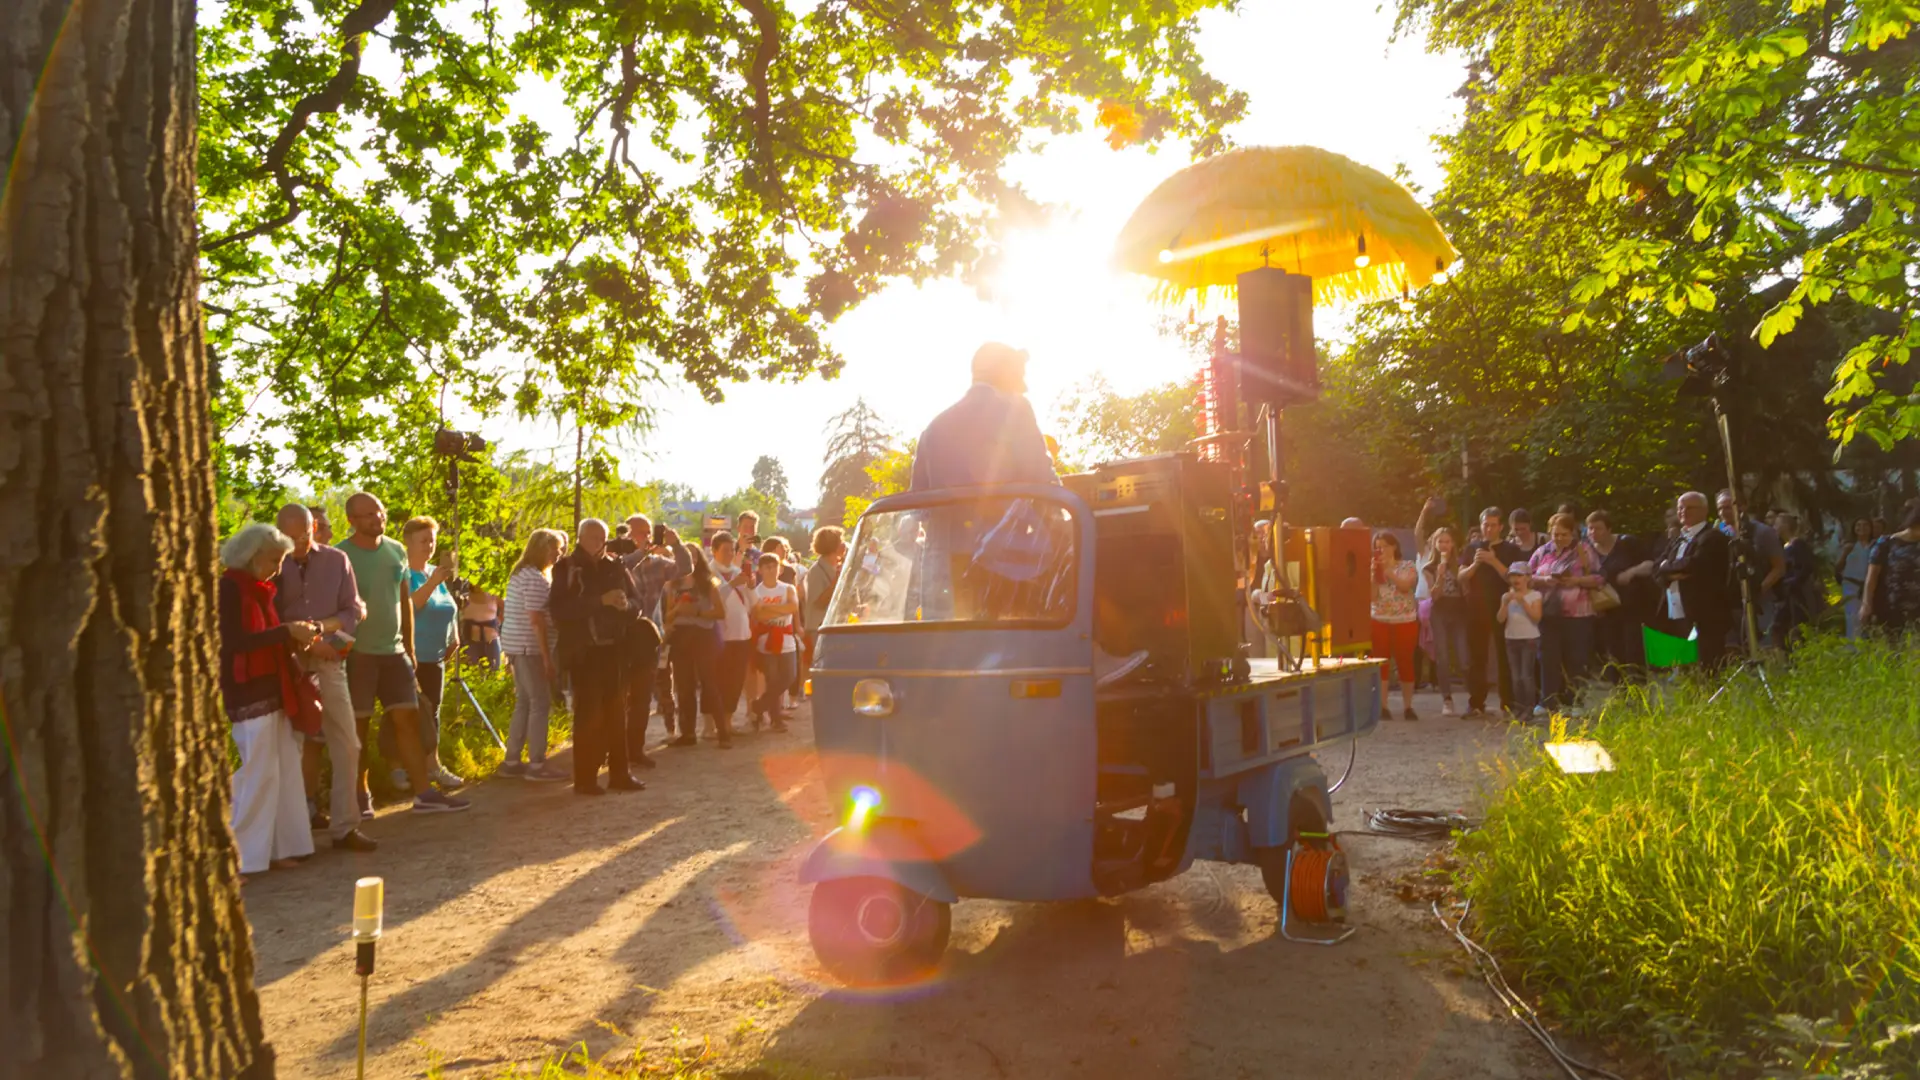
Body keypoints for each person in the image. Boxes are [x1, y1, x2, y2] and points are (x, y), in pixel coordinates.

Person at [340, 492, 469, 812]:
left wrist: (409, 648)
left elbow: (404, 604)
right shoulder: (340, 555)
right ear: (352, 520)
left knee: (409, 720)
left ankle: (424, 793)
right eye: (368, 514)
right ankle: (360, 794)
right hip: (359, 653)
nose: (377, 518)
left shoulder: (395, 551)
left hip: (395, 651)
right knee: (359, 726)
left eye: (380, 512)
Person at [272, 504, 377, 853]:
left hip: (330, 660)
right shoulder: (272, 564)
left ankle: (345, 827)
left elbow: (353, 609)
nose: (296, 543)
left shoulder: (336, 560)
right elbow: (267, 618)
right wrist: (300, 640)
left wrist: (323, 635)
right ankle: (292, 834)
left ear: (314, 527)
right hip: (288, 664)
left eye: (302, 535)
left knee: (347, 742)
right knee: (293, 746)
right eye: (288, 537)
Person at [220, 523, 321, 877]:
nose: (279, 568)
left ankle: (284, 847)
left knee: (285, 768)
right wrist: (285, 631)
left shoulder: (263, 589)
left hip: (275, 687)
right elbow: (234, 642)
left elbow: (266, 637)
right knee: (259, 771)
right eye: (274, 559)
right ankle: (241, 856)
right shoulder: (229, 588)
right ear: (251, 556)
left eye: (282, 560)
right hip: (246, 691)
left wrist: (294, 636)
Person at [551, 519, 650, 794]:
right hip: (584, 651)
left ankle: (620, 774)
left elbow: (638, 602)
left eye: (601, 537)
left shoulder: (615, 565)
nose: (597, 542)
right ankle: (585, 779)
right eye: (591, 537)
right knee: (588, 716)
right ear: (580, 538)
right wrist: (600, 602)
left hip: (615, 649)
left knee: (617, 713)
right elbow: (559, 610)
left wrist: (625, 605)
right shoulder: (567, 567)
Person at [909, 342, 1057, 490]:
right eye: (1019, 375)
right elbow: (1046, 484)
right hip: (1008, 514)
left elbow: (916, 505)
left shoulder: (932, 430)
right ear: (1005, 373)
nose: (1025, 387)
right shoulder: (1017, 412)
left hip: (946, 514)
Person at [383, 516, 462, 792]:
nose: (429, 546)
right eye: (423, 540)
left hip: (436, 656)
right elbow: (411, 605)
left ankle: (432, 766)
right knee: (402, 712)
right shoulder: (404, 573)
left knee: (433, 712)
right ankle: (397, 767)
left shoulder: (435, 573)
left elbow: (447, 607)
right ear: (408, 542)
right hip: (407, 654)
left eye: (432, 540)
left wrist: (455, 636)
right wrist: (433, 581)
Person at [613, 513, 691, 765]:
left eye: (649, 533)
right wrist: (641, 552)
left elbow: (686, 568)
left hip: (648, 637)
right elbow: (623, 567)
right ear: (628, 534)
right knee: (619, 695)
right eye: (640, 532)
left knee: (642, 697)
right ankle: (615, 750)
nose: (646, 538)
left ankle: (635, 749)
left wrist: (675, 544)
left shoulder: (659, 563)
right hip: (622, 637)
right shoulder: (618, 559)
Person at [500, 529, 566, 781]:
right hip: (530, 648)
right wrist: (547, 657)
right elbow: (536, 620)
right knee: (540, 703)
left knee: (525, 702)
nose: (558, 554)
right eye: (555, 549)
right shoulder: (536, 579)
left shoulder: (521, 574)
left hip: (516, 645)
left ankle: (512, 759)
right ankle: (537, 763)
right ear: (542, 548)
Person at [1528, 512, 1602, 715]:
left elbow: (1600, 578)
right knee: (1547, 657)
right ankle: (1547, 701)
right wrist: (1545, 580)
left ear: (1572, 533)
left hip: (1579, 614)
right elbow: (1526, 577)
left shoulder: (1584, 550)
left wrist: (1576, 581)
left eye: (1564, 534)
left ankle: (1576, 701)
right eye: (1555, 534)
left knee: (1576, 658)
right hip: (1548, 612)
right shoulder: (1542, 552)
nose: (1559, 538)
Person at [1656, 491, 1734, 671]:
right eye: (1680, 508)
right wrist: (1669, 571)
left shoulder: (1712, 537)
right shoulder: (1678, 539)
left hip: (1704, 613)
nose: (1683, 511)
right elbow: (1656, 567)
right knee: (1685, 668)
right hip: (1676, 612)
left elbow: (1694, 564)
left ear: (1704, 510)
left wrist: (1666, 567)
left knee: (1708, 665)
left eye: (1689, 508)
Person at [1462, 506, 1524, 718]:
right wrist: (1476, 564)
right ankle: (1476, 703)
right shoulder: (1472, 548)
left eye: (1493, 525)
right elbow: (1462, 577)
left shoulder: (1511, 550)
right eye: (1485, 525)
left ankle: (1508, 702)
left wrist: (1493, 561)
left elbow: (1515, 579)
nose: (1488, 529)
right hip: (1475, 607)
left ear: (1501, 526)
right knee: (1476, 656)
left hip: (1502, 606)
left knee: (1504, 654)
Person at [666, 544, 728, 747]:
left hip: (703, 636)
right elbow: (667, 617)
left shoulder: (708, 583)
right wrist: (677, 611)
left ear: (698, 559)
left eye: (692, 556)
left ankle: (722, 733)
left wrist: (697, 612)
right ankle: (688, 733)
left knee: (709, 684)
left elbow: (720, 613)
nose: (688, 560)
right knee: (684, 687)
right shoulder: (672, 585)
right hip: (680, 637)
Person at [1586, 510, 1657, 678]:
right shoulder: (1587, 552)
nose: (1593, 533)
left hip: (1632, 607)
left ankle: (1639, 693)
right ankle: (1619, 695)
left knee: (1634, 652)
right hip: (1606, 610)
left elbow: (1650, 564)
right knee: (1613, 654)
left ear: (1609, 529)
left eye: (1598, 528)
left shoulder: (1627, 543)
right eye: (1590, 529)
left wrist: (1631, 572)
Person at [1716, 489, 1785, 648]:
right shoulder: (1718, 534)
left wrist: (1758, 590)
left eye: (1728, 507)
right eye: (1720, 508)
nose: (1723, 512)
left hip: (1761, 602)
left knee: (1765, 647)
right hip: (1730, 604)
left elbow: (1779, 568)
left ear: (1743, 506)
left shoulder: (1762, 532)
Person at [1369, 532, 1420, 721]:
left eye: (1384, 546)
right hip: (1379, 619)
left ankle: (1407, 706)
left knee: (1405, 661)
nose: (1380, 550)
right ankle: (1382, 706)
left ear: (1394, 547)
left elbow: (1406, 587)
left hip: (1404, 620)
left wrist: (1389, 572)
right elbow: (1372, 597)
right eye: (1377, 546)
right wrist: (1375, 576)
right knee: (1381, 663)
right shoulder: (1373, 568)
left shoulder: (1407, 566)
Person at [747, 553, 801, 731]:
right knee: (772, 679)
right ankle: (776, 719)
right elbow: (758, 615)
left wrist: (768, 609)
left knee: (789, 676)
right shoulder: (756, 592)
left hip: (786, 639)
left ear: (780, 568)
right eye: (767, 567)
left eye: (774, 566)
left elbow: (793, 607)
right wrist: (780, 610)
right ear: (760, 570)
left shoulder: (788, 588)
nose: (771, 570)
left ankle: (759, 706)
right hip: (765, 642)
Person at [1421, 526, 1470, 717]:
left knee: (1463, 655)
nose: (1444, 545)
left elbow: (1465, 590)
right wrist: (1440, 575)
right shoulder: (1428, 567)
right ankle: (1447, 699)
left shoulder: (1460, 564)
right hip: (1439, 610)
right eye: (1440, 541)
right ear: (1434, 543)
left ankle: (1473, 698)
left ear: (1453, 544)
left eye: (1447, 541)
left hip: (1459, 611)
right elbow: (1434, 595)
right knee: (1442, 656)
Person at [1860, 503, 1920, 636]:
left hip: (1918, 610)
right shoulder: (1885, 543)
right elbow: (1872, 577)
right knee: (1893, 650)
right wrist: (1866, 604)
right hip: (1890, 608)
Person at [1497, 562, 1543, 717]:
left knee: (1526, 675)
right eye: (1512, 576)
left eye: (1519, 575)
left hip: (1529, 638)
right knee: (1515, 677)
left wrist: (1523, 602)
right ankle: (1519, 706)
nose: (1515, 579)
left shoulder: (1534, 595)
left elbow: (1536, 617)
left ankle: (1529, 707)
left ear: (1528, 577)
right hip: (1511, 638)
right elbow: (1500, 619)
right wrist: (1504, 604)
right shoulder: (1507, 596)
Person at [802, 526, 846, 685]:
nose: (844, 545)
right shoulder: (816, 571)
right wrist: (836, 582)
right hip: (818, 629)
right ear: (832, 545)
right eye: (841, 541)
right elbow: (818, 602)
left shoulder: (837, 568)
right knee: (823, 670)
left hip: (834, 626)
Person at [1773, 513, 1818, 650]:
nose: (1774, 527)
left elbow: (1806, 567)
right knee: (1780, 626)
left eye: (1777, 524)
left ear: (1785, 526)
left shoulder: (1798, 545)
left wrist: (1791, 582)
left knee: (1799, 626)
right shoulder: (1784, 546)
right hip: (1788, 595)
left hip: (1799, 594)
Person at [1838, 517, 1874, 638]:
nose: (1862, 528)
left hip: (1868, 584)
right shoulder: (1849, 546)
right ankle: (1852, 647)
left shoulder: (1874, 546)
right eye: (1858, 525)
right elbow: (1838, 566)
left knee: (1867, 616)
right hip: (1851, 585)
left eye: (1865, 525)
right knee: (1852, 617)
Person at [459, 587, 503, 670]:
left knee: (494, 671)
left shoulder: (494, 595)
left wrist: (499, 620)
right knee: (471, 673)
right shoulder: (465, 599)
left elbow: (506, 609)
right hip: (471, 642)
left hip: (492, 641)